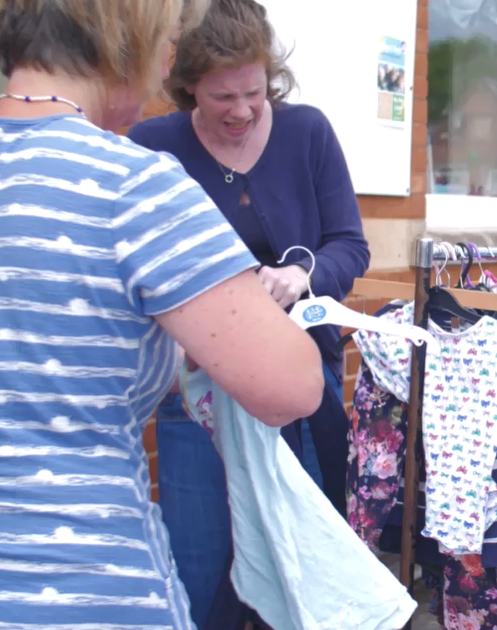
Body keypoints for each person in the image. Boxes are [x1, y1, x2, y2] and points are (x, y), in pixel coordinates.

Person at [0, 1, 325, 628]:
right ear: (131, 37)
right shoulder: (134, 184)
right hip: (85, 588)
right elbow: (291, 387)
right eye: (169, 43)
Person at [124, 0, 370, 626]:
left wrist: (303, 273)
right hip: (197, 396)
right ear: (187, 89)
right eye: (219, 97)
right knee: (202, 564)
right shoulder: (153, 145)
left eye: (253, 93)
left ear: (271, 76)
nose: (239, 110)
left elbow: (350, 243)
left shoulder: (308, 132)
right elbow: (130, 265)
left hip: (299, 388)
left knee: (302, 559)